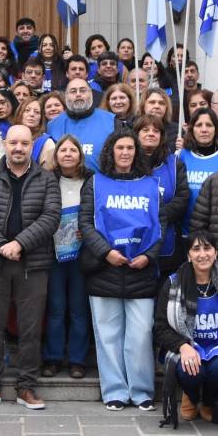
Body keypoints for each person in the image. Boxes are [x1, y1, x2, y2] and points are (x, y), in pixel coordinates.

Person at [0, 125, 61, 411]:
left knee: (30, 328)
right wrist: (0, 245)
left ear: (32, 146)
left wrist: (19, 243)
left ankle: (27, 387)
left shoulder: (46, 179)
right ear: (5, 145)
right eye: (13, 143)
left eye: (24, 143)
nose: (18, 148)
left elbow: (51, 217)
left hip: (33, 262)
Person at [80, 131, 163, 411]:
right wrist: (106, 252)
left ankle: (141, 391)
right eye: (120, 148)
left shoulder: (151, 185)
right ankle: (115, 390)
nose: (125, 152)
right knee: (108, 335)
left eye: (130, 148)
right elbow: (86, 223)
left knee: (140, 335)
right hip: (105, 268)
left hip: (141, 269)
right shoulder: (94, 183)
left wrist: (148, 257)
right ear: (110, 151)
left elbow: (161, 226)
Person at [155, 230, 218, 424]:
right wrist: (182, 346)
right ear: (188, 255)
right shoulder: (173, 284)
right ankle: (191, 396)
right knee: (190, 370)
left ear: (216, 253)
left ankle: (209, 401)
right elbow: (159, 327)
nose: (202, 254)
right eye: (196, 249)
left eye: (207, 248)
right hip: (189, 346)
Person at [42, 134, 92, 378]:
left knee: (79, 309)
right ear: (56, 155)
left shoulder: (91, 180)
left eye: (73, 150)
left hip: (82, 255)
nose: (68, 154)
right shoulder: (46, 180)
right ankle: (52, 358)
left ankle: (77, 360)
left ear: (80, 155)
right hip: (53, 255)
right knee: (56, 308)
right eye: (63, 150)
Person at [136, 115, 188, 272]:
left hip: (168, 242)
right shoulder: (126, 163)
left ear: (162, 136)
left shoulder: (174, 164)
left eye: (156, 131)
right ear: (136, 134)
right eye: (145, 130)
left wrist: (156, 216)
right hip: (133, 239)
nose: (151, 133)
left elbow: (182, 198)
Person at [46, 78, 117, 172]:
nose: (78, 94)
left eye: (83, 90)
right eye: (73, 91)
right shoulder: (52, 126)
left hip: (100, 183)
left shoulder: (112, 121)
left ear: (91, 94)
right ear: (66, 96)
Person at [14, 97, 57, 169]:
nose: (31, 114)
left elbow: (47, 176)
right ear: (20, 114)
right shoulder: (9, 138)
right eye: (27, 110)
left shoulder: (47, 143)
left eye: (37, 112)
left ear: (41, 118)